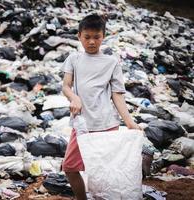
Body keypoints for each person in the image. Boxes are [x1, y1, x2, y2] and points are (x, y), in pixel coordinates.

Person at [61, 14, 142, 200]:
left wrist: (129, 122)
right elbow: (66, 85)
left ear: (103, 36)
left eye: (96, 37)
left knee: (105, 172)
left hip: (107, 124)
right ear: (79, 36)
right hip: (82, 126)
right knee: (70, 167)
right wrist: (74, 98)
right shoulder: (74, 59)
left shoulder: (111, 62)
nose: (91, 42)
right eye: (87, 37)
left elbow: (117, 95)